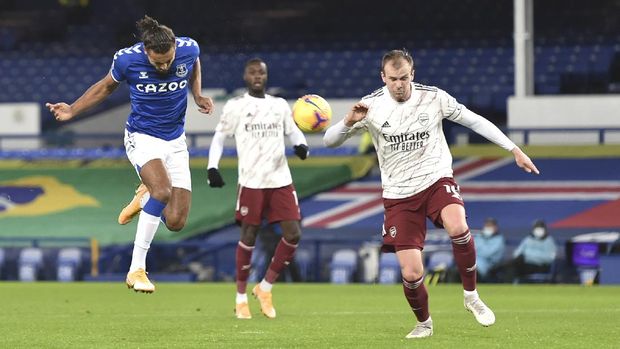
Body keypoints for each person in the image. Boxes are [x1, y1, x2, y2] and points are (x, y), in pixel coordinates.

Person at [323, 49, 540, 339]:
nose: (399, 84)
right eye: (392, 79)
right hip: (399, 195)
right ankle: (424, 323)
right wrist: (348, 122)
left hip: (436, 180)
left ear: (412, 74)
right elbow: (329, 141)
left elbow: (474, 120)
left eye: (403, 78)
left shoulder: (434, 97)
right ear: (383, 78)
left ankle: (471, 296)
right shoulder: (370, 107)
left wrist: (513, 149)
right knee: (411, 274)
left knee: (458, 225)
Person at [46, 15, 214, 293]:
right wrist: (73, 109)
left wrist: (196, 94)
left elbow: (193, 63)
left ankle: (143, 195)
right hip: (142, 137)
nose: (164, 66)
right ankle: (137, 269)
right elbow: (105, 87)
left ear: (174, 47)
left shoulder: (189, 49)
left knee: (175, 222)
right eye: (157, 62)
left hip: (175, 140)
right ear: (146, 51)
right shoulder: (127, 60)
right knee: (162, 190)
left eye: (169, 61)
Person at [207, 58, 309, 320]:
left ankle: (265, 287)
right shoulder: (236, 106)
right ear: (245, 76)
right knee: (249, 236)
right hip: (251, 181)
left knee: (293, 233)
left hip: (280, 179)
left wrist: (301, 145)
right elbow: (220, 136)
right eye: (252, 72)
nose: (257, 76)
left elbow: (293, 131)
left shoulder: (278, 105)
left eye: (261, 72)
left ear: (266, 76)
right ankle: (241, 298)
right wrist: (212, 167)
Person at [474, 217, 506, 282]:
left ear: (496, 227)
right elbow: (472, 249)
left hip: (490, 264)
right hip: (473, 262)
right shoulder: (478, 237)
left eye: (490, 226)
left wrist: (477, 252)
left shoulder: (499, 239)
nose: (488, 228)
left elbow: (488, 253)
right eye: (487, 226)